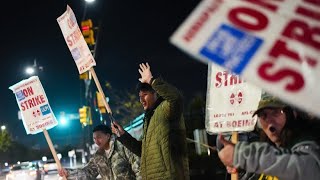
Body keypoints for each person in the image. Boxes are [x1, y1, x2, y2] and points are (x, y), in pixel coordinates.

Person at [111, 62, 189, 179]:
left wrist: (152, 81)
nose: (141, 100)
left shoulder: (165, 109)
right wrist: (122, 135)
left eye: (145, 95)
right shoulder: (149, 119)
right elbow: (142, 151)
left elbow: (176, 98)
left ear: (156, 94)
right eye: (139, 96)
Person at [217, 93, 320, 180]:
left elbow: (308, 168)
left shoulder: (308, 141)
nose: (269, 120)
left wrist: (244, 156)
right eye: (263, 115)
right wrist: (242, 169)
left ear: (291, 114)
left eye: (275, 112)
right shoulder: (270, 148)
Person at [58, 124, 141, 180]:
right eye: (94, 138)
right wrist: (68, 173)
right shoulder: (98, 157)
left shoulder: (122, 147)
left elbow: (138, 169)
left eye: (99, 137)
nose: (96, 141)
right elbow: (88, 172)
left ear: (108, 136)